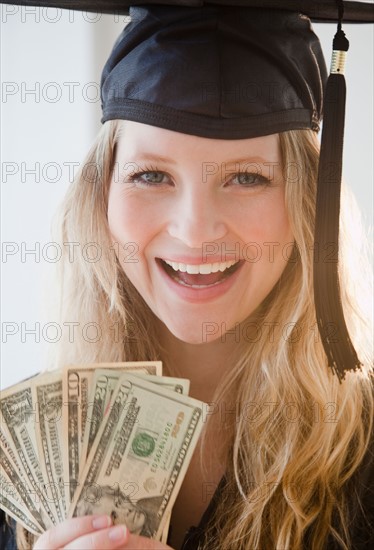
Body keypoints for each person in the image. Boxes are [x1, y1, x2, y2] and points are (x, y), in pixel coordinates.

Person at [1, 1, 373, 549]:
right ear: (99, 196)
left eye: (247, 178)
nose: (195, 232)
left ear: (305, 203)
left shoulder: (364, 464)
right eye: (151, 174)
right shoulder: (15, 459)